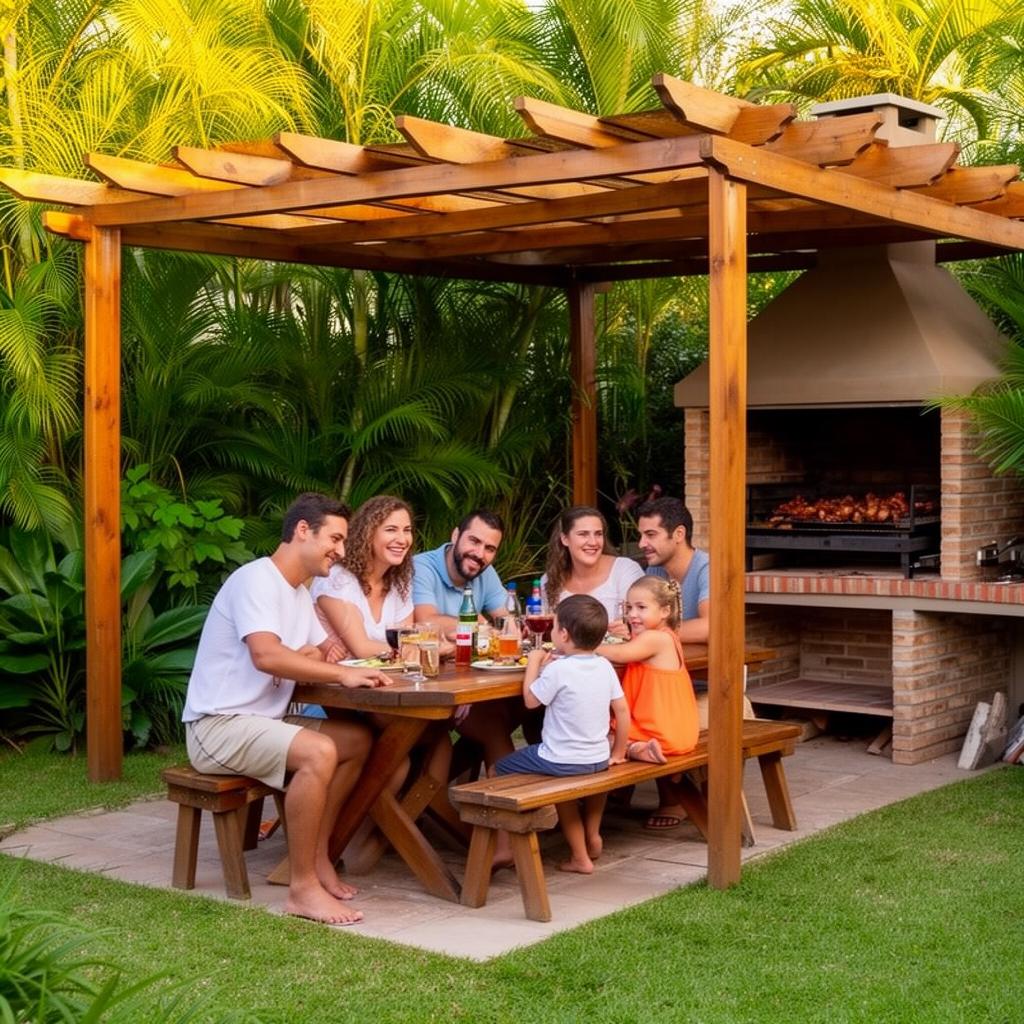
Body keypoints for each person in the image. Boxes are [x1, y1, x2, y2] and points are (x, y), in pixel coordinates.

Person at [182, 492, 390, 926]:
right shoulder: (256, 581)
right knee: (319, 751)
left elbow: (322, 653)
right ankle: (302, 888)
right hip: (217, 726)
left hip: (261, 721)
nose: (341, 550)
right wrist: (333, 672)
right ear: (302, 531)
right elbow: (267, 656)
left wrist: (305, 657)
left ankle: (319, 858)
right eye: (335, 539)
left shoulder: (298, 593)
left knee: (355, 740)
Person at [496, 595, 630, 875]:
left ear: (564, 634)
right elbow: (621, 710)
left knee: (497, 769)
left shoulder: (558, 669)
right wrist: (618, 752)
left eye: (554, 627)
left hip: (561, 759)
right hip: (598, 757)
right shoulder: (604, 666)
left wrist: (534, 662)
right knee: (582, 779)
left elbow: (531, 701)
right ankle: (593, 836)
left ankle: (511, 848)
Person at [597, 576, 699, 829]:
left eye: (641, 607)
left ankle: (633, 750)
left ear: (665, 611)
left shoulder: (655, 639)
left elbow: (620, 654)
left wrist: (582, 644)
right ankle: (633, 755)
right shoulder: (667, 636)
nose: (632, 614)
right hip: (679, 732)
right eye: (629, 607)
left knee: (598, 738)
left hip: (658, 732)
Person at [311, 495, 415, 659]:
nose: (402, 540)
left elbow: (407, 641)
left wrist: (414, 649)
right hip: (333, 674)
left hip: (383, 673)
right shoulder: (337, 579)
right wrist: (422, 649)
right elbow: (361, 649)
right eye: (391, 530)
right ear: (368, 533)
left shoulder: (399, 582)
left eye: (407, 530)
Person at [541, 505, 644, 628]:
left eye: (598, 534)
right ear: (565, 539)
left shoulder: (624, 570)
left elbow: (644, 621)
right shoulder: (550, 579)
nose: (593, 542)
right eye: (583, 534)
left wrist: (628, 629)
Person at [412, 509, 507, 637]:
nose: (480, 554)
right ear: (455, 536)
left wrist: (514, 629)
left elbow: (507, 619)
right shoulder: (421, 567)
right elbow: (425, 622)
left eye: (489, 549)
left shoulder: (486, 572)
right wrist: (481, 627)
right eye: (474, 541)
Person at [636, 496, 709, 643]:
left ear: (679, 534)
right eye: (641, 535)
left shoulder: (707, 569)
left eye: (651, 535)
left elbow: (709, 627)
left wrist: (647, 631)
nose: (641, 544)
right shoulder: (654, 571)